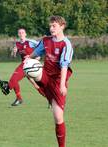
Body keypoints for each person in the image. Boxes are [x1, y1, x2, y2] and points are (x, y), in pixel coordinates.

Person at [24, 15, 73, 147]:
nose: (51, 28)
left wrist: (62, 84)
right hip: (45, 74)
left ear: (62, 26)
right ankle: (43, 91)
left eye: (54, 26)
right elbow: (36, 52)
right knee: (28, 68)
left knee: (58, 118)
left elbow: (64, 65)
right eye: (50, 26)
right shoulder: (46, 41)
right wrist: (29, 58)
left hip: (57, 81)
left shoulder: (66, 44)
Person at [0, 28, 39, 106]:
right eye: (19, 33)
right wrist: (13, 52)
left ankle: (6, 87)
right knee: (18, 80)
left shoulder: (30, 42)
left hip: (31, 65)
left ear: (25, 34)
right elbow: (13, 56)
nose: (21, 34)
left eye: (22, 32)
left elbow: (41, 47)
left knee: (36, 84)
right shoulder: (17, 44)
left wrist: (37, 57)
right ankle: (18, 98)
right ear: (18, 35)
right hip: (24, 65)